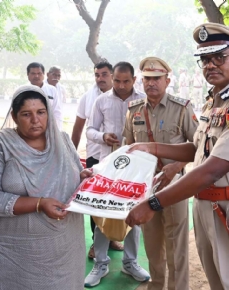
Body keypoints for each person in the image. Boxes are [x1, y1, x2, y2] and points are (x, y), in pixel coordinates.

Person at [123, 22, 229, 290]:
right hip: (211, 209)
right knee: (219, 283)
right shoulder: (217, 101)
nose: (210, 65)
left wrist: (152, 204)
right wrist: (153, 147)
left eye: (219, 57)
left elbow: (211, 169)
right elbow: (198, 149)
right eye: (205, 59)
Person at [0, 85, 86, 289]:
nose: (35, 120)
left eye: (41, 112)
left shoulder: (63, 141)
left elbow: (75, 176)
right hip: (13, 256)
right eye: (26, 114)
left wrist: (86, 177)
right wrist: (38, 204)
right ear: (14, 116)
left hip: (64, 251)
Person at [124, 56, 198, 290]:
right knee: (153, 246)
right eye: (147, 79)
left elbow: (199, 148)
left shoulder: (182, 108)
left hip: (175, 186)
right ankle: (156, 286)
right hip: (145, 188)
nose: (151, 83)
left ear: (167, 80)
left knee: (176, 248)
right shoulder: (134, 111)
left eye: (156, 79)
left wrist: (175, 166)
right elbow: (127, 148)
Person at [84, 61, 149, 287]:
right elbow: (90, 130)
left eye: (126, 81)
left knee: (134, 215)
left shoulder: (143, 100)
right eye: (117, 80)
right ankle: (100, 262)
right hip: (108, 167)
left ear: (134, 79)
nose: (121, 86)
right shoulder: (101, 101)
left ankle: (130, 262)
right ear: (112, 78)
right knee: (103, 212)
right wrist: (103, 137)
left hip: (136, 168)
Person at [71, 61, 124, 259]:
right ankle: (96, 242)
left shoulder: (129, 96)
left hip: (122, 159)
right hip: (96, 157)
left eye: (104, 74)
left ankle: (111, 237)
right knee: (97, 201)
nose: (100, 78)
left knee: (116, 198)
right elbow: (79, 128)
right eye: (97, 75)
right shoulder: (89, 97)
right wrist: (72, 154)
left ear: (112, 75)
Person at [26, 62, 63, 130]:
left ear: (43, 74)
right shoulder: (22, 90)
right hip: (28, 128)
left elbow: (57, 112)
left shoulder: (52, 90)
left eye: (39, 73)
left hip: (48, 128)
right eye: (33, 73)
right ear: (28, 75)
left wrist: (57, 131)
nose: (36, 76)